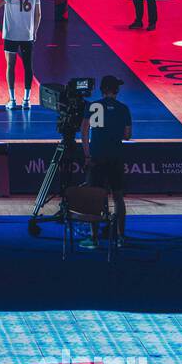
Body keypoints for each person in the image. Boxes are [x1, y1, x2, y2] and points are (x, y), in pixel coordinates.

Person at [78, 75, 131, 249]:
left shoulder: (95, 107)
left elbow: (85, 132)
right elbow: (127, 135)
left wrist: (87, 155)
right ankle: (121, 237)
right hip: (116, 156)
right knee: (118, 198)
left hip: (97, 157)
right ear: (117, 90)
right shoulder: (123, 109)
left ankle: (93, 238)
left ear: (102, 89)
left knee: (95, 197)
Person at [1, 0, 41, 110]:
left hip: (11, 33)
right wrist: (34, 31)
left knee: (10, 66)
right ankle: (27, 99)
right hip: (27, 34)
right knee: (28, 66)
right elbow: (38, 14)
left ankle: (12, 99)